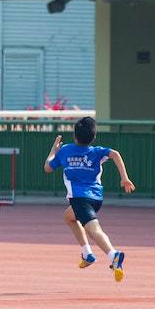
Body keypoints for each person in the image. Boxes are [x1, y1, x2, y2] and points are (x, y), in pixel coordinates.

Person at [44, 117, 135, 282]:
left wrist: (53, 151)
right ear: (93, 137)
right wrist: (124, 178)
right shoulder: (96, 151)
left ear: (75, 135)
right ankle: (87, 254)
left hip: (80, 199)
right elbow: (115, 154)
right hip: (96, 198)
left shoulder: (65, 151)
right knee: (69, 217)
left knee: (94, 230)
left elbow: (47, 168)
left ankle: (113, 255)